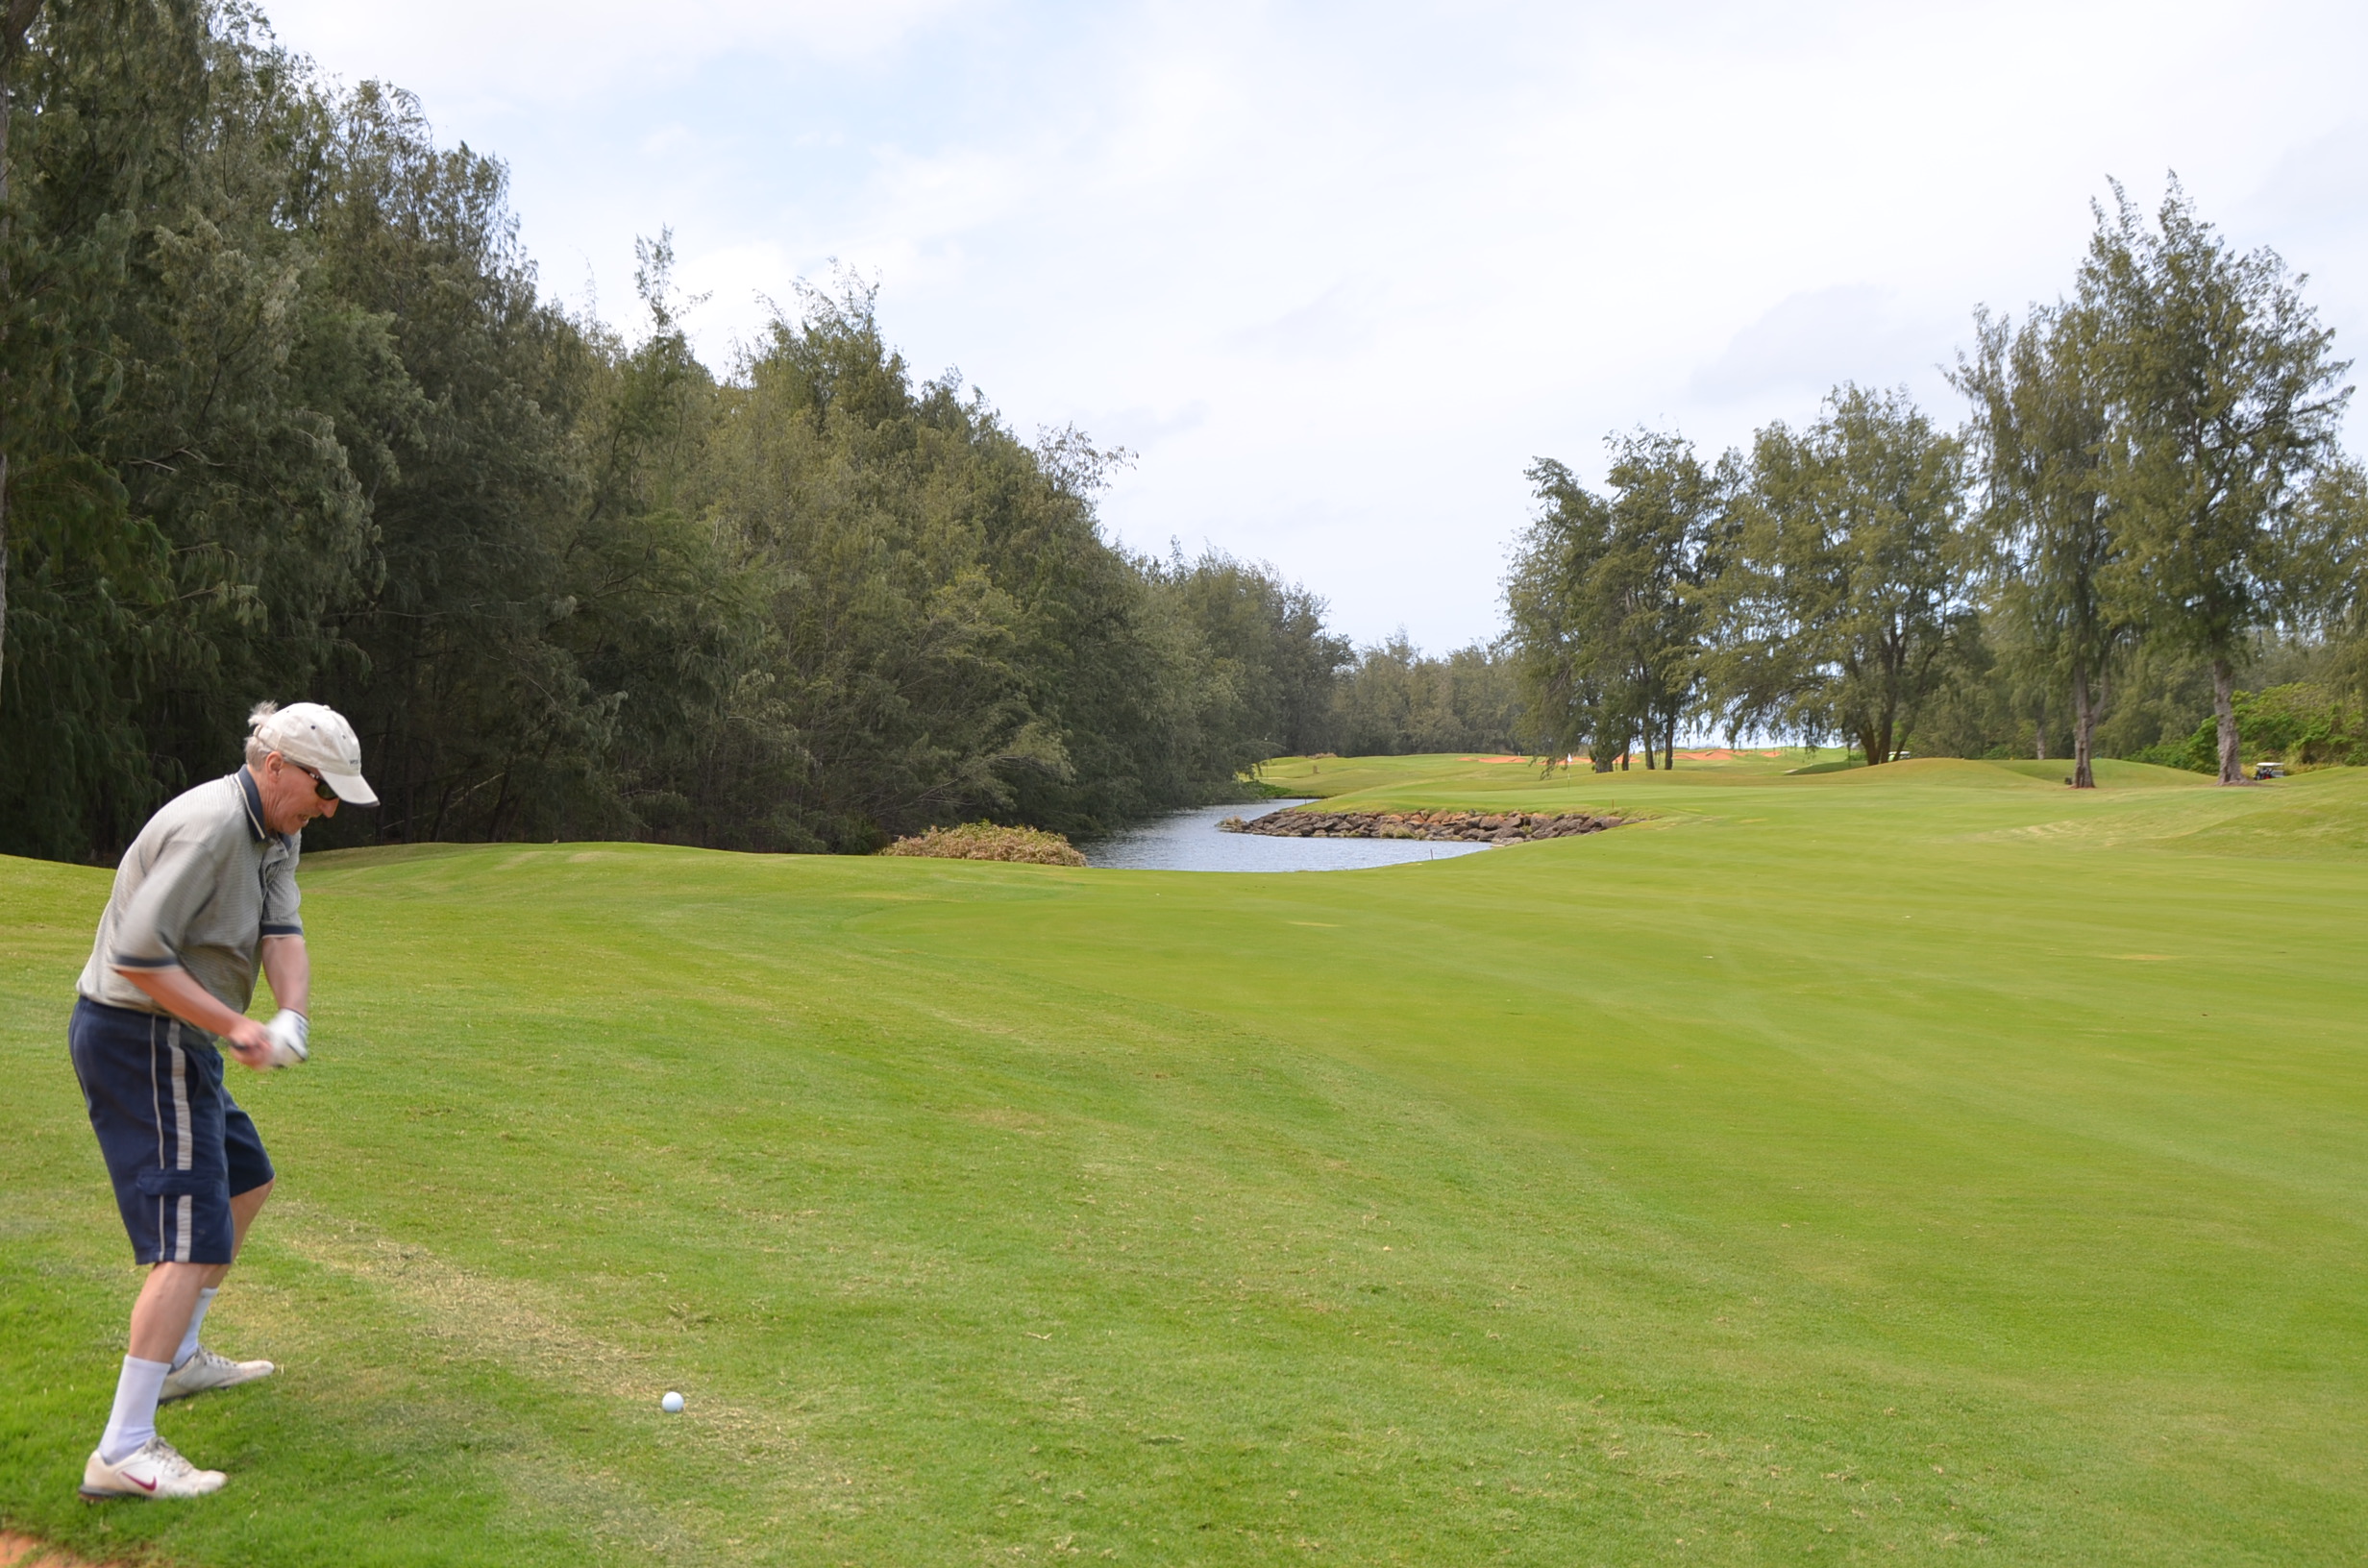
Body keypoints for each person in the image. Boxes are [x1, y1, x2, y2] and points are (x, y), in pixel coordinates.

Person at [70, 700, 376, 1500]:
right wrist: (236, 1025)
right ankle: (123, 1449)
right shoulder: (210, 827)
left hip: (178, 1039)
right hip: (137, 1037)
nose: (329, 807)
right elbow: (138, 954)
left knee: (248, 1180)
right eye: (321, 787)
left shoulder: (280, 831)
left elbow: (282, 928)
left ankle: (176, 1360)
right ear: (273, 763)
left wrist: (293, 1015)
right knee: (192, 1236)